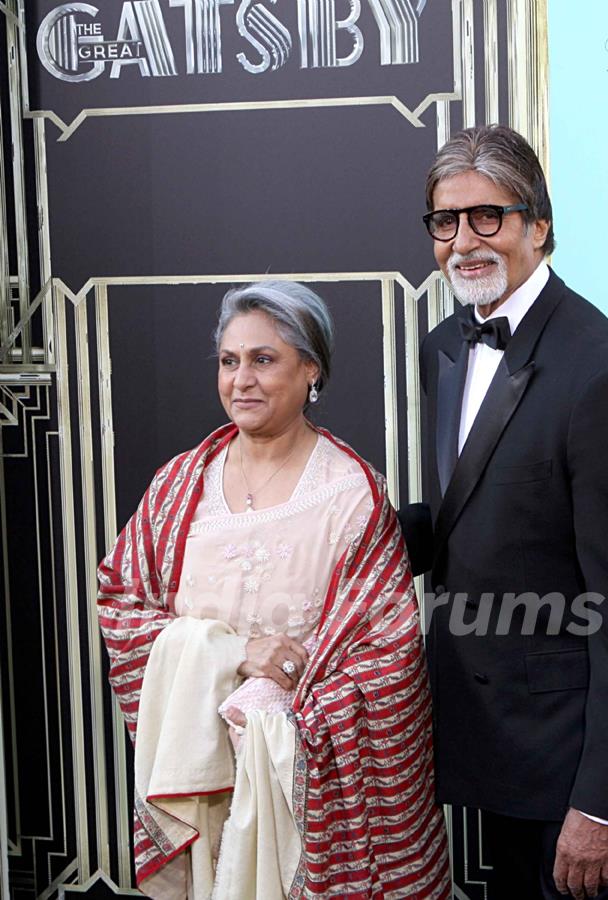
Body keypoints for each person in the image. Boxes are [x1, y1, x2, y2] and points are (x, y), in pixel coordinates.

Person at [402, 125, 608, 900]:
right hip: (494, 746)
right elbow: (485, 513)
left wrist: (600, 806)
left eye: (487, 217)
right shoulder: (444, 348)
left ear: (538, 224)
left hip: (577, 770)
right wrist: (361, 532)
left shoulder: (602, 376)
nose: (464, 241)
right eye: (446, 220)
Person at [97, 281, 450, 899]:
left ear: (311, 369)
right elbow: (122, 604)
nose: (241, 380)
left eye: (264, 360)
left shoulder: (350, 495)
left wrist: (278, 716)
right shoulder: (179, 486)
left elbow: (385, 659)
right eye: (230, 362)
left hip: (302, 785)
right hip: (201, 779)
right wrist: (232, 657)